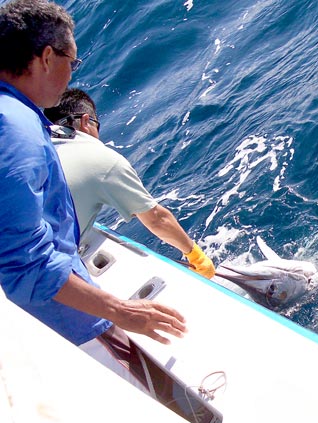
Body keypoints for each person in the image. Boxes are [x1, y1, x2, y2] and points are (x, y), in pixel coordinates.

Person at [0, 0, 187, 395]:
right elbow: (27, 269)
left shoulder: (14, 112)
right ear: (47, 57)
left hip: (44, 302)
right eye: (73, 62)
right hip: (62, 312)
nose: (71, 77)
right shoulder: (16, 132)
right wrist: (121, 312)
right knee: (159, 400)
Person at [44, 88, 215, 279]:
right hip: (41, 270)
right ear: (85, 121)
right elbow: (156, 218)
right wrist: (197, 257)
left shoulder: (30, 148)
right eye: (97, 126)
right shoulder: (99, 158)